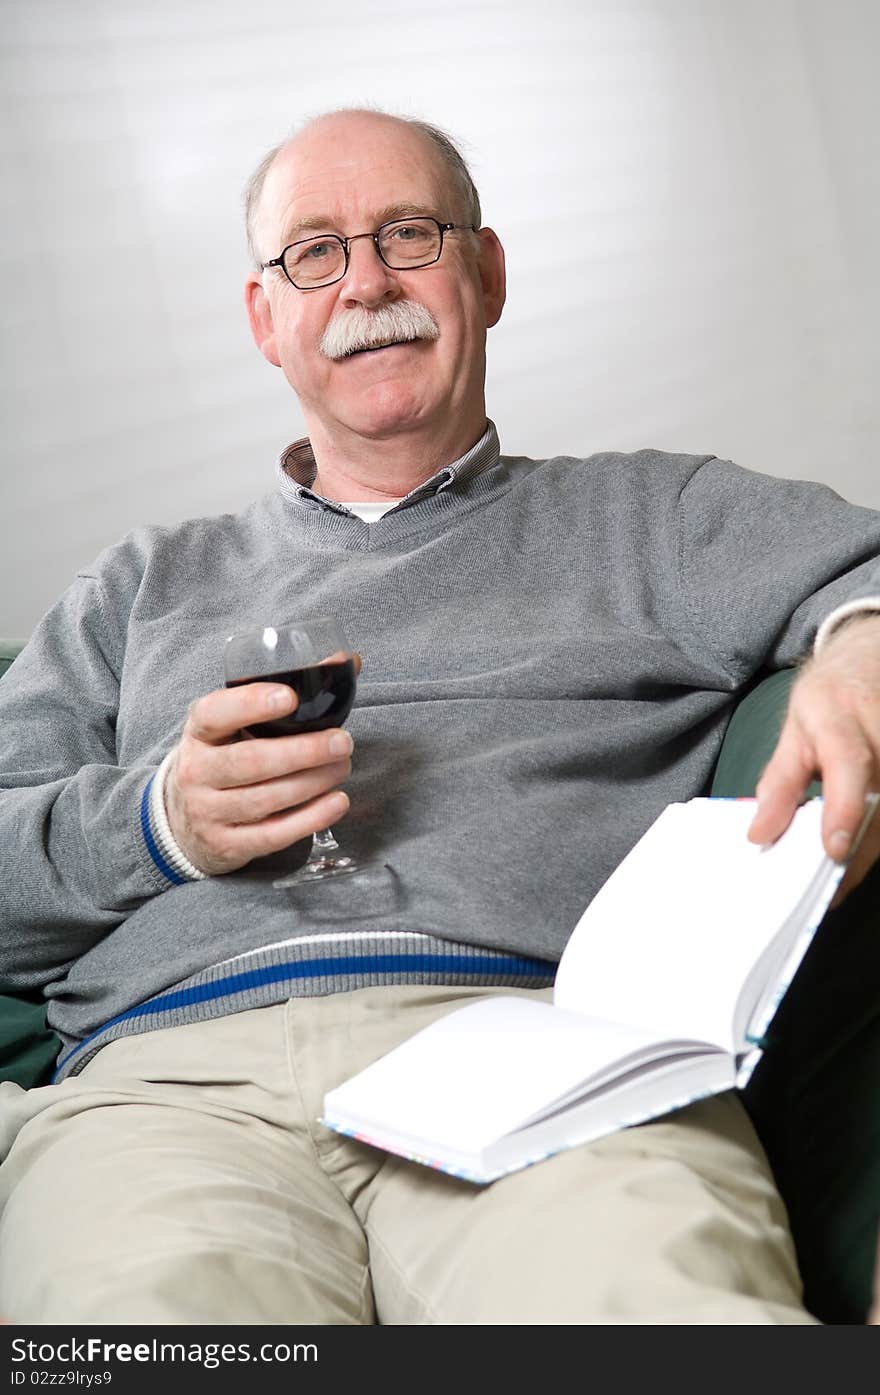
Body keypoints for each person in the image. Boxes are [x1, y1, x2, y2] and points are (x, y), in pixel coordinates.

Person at [1, 106, 879, 1326]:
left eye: (408, 234)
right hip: (171, 1085)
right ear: (268, 317)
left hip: (543, 1061)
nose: (365, 280)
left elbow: (865, 571)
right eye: (315, 251)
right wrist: (161, 825)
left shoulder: (653, 519)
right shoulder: (134, 588)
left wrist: (858, 650)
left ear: (487, 271)